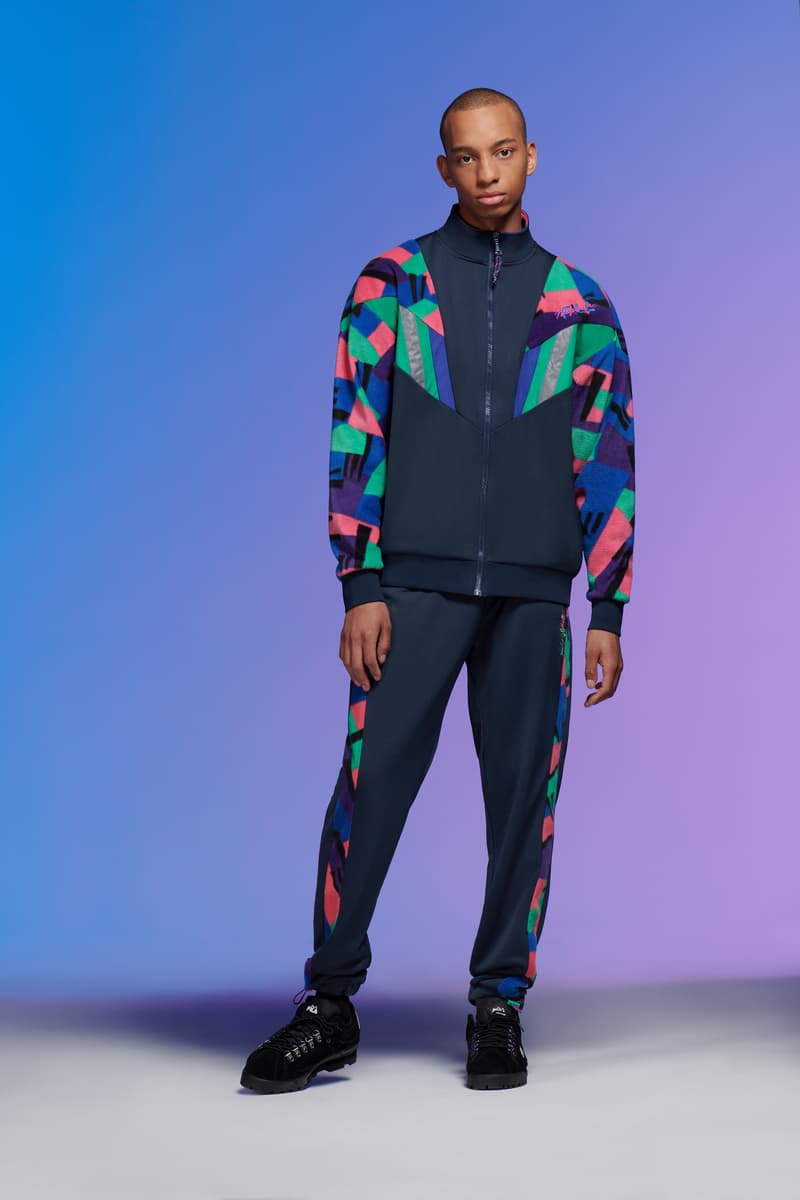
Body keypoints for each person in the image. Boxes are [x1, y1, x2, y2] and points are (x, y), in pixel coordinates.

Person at [240, 86, 636, 1094]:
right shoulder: (392, 286)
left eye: (502, 152)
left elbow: (607, 458)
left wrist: (608, 605)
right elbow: (355, 432)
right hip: (411, 586)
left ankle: (498, 1002)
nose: (486, 172)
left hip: (534, 596)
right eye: (467, 156)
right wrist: (359, 582)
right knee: (368, 788)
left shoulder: (581, 307)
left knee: (523, 802)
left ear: (531, 156)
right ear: (443, 168)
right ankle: (329, 1005)